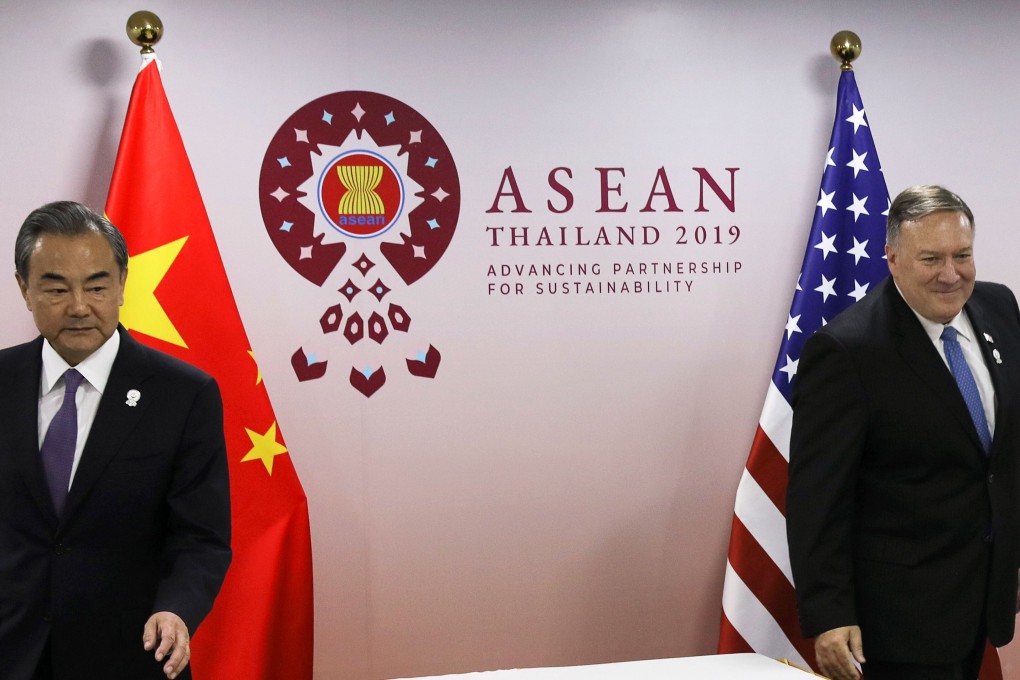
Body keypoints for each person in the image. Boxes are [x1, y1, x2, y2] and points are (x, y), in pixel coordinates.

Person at [787, 185, 1020, 680]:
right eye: (931, 258)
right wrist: (830, 614)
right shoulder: (847, 351)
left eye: (962, 255)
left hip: (982, 602)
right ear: (892, 259)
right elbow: (817, 499)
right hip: (898, 624)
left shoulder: (1001, 309)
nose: (951, 274)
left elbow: (1002, 458)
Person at [0, 201, 231, 680]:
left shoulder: (184, 394)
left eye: (97, 285)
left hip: (131, 656)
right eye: (57, 287)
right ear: (24, 288)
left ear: (123, 283)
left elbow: (201, 538)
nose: (80, 306)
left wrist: (178, 610)